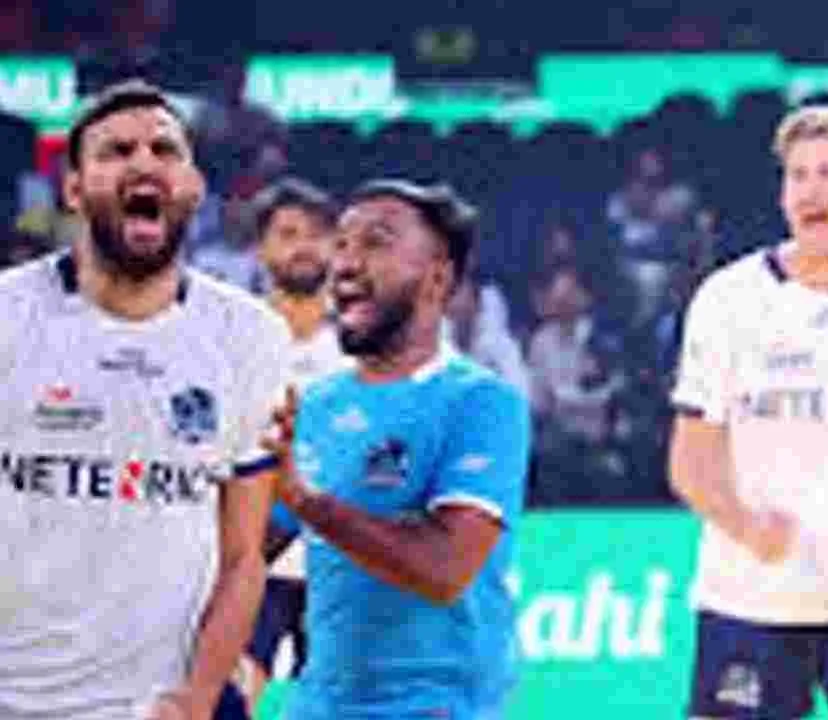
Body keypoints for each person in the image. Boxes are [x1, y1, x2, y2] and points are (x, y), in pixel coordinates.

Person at [0, 79, 290, 719]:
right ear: (73, 190)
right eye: (116, 151)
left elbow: (243, 558)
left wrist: (197, 697)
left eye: (164, 150)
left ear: (193, 186)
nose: (143, 164)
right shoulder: (8, 318)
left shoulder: (250, 336)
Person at [667, 104, 828, 720]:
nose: (809, 191)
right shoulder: (729, 300)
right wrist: (745, 525)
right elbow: (689, 465)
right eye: (797, 175)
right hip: (747, 604)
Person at [262, 179, 532, 719]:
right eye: (342, 244)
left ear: (438, 277)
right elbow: (246, 551)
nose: (345, 263)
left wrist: (308, 502)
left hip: (437, 707)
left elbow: (445, 569)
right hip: (317, 704)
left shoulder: (481, 403)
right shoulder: (315, 404)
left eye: (375, 242)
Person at [240, 177, 350, 710]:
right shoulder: (234, 339)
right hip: (251, 564)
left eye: (316, 234)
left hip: (341, 566)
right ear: (261, 249)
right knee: (229, 700)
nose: (303, 246)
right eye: (287, 234)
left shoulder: (367, 343)